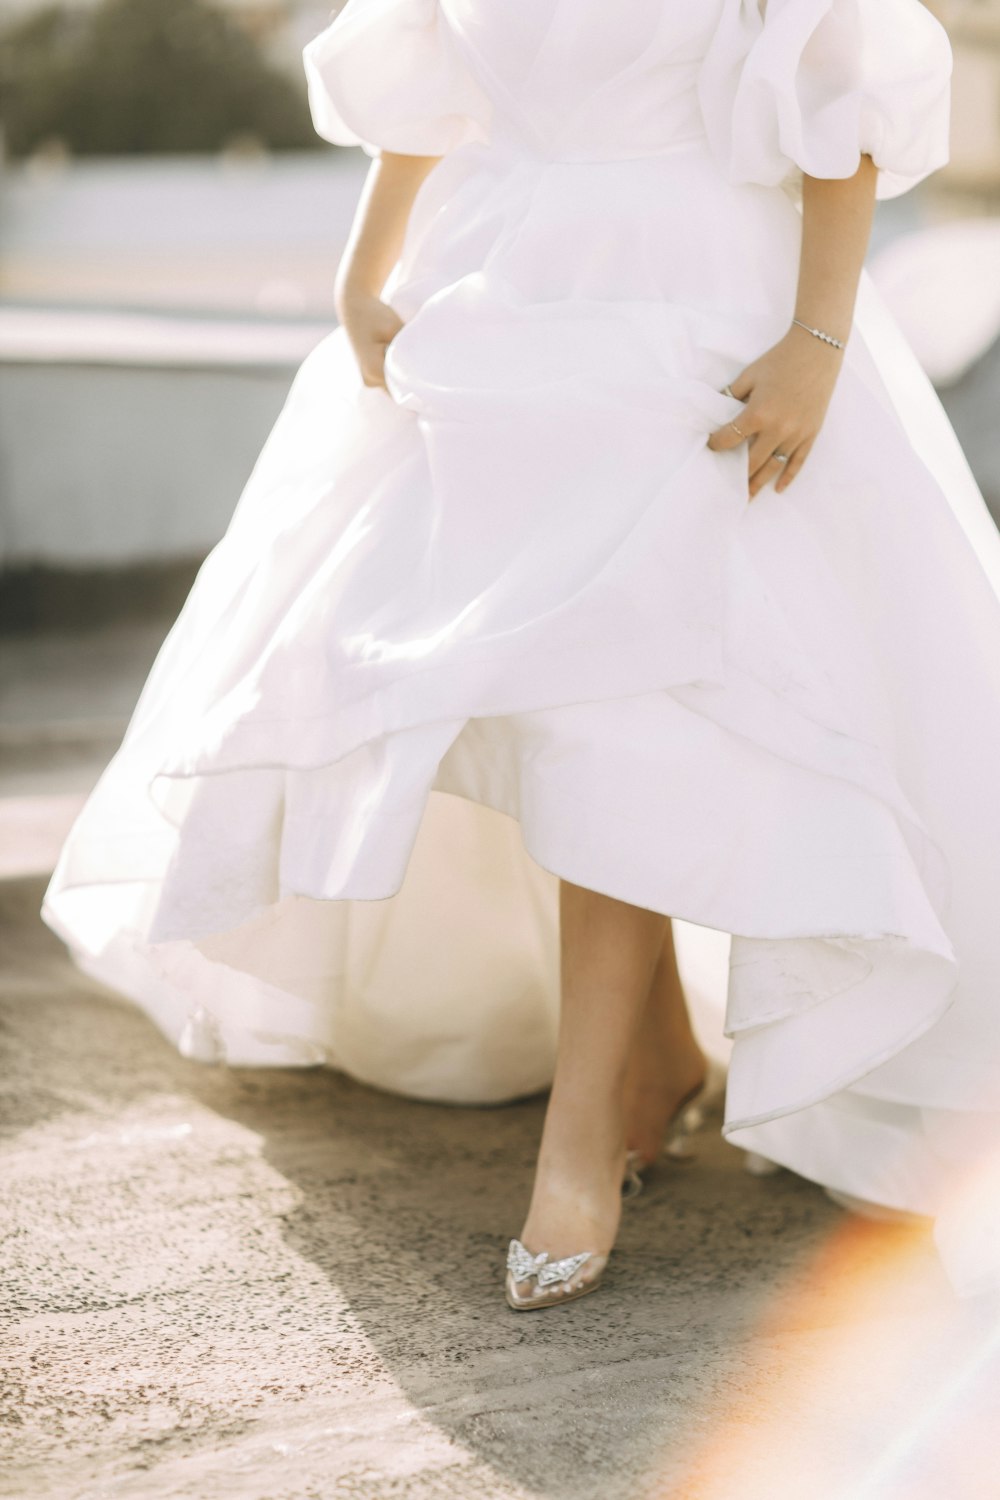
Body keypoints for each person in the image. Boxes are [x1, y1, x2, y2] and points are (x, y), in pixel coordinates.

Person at [42, 0, 1000, 1311]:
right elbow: (429, 72)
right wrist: (364, 272)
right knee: (524, 695)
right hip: (496, 285)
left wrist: (817, 342)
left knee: (615, 703)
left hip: (700, 306)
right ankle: (650, 1055)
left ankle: (588, 1123)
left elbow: (833, 98)